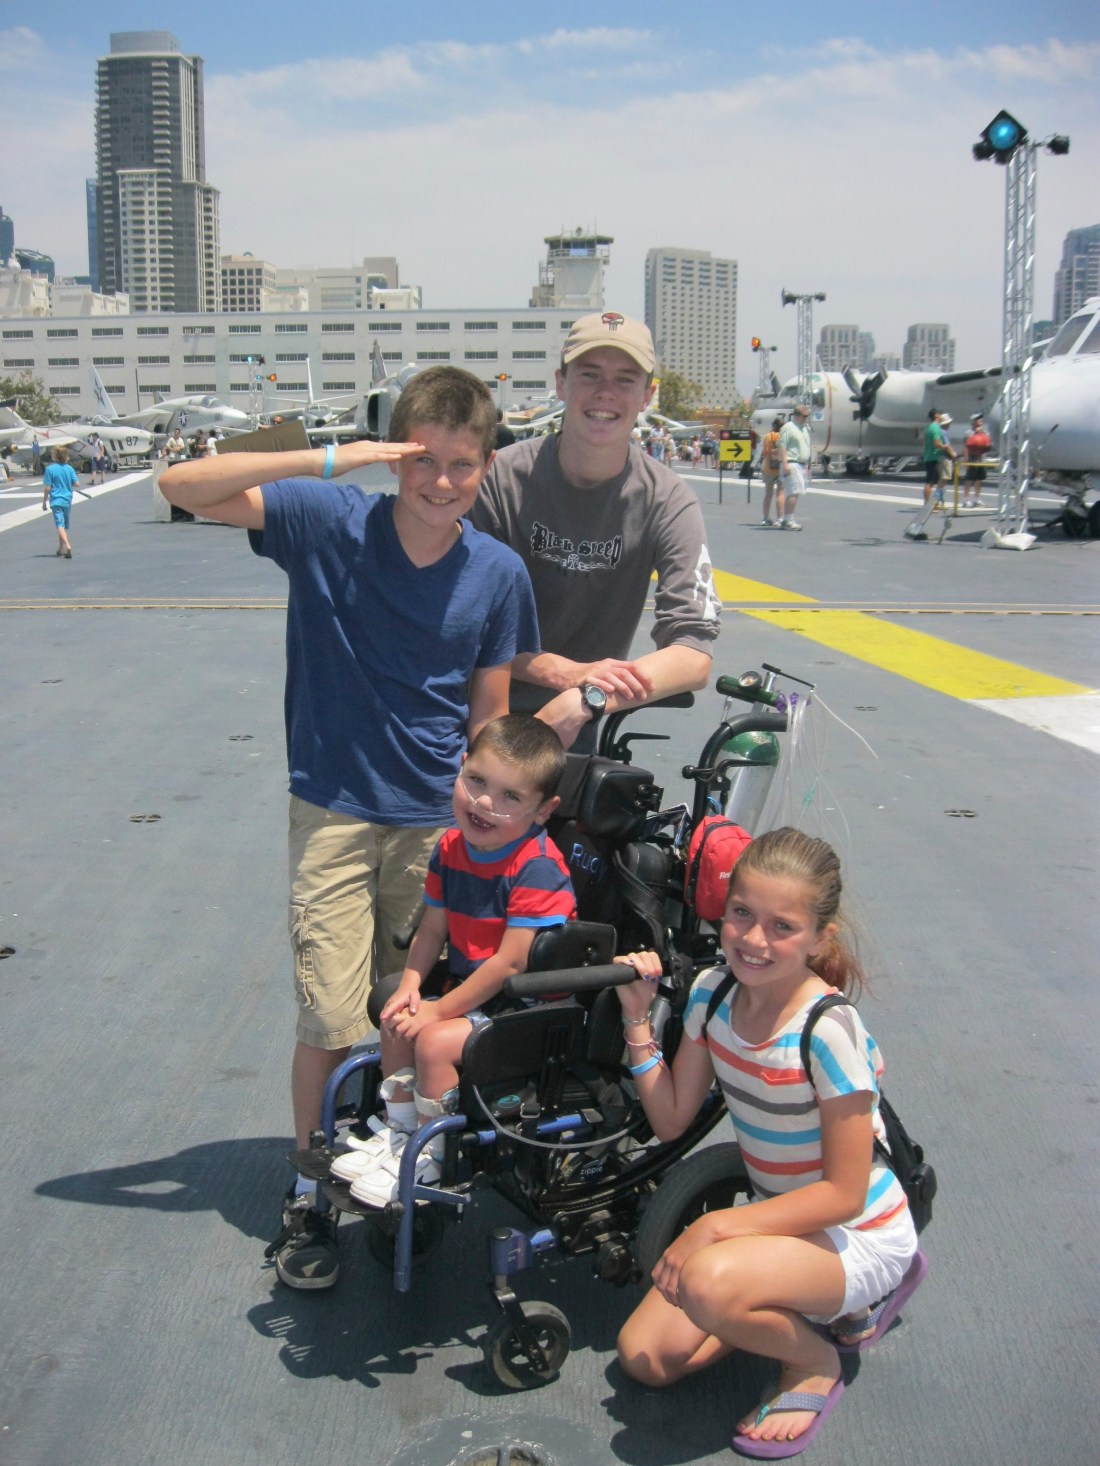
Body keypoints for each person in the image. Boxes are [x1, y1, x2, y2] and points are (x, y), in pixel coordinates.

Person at [160, 366, 540, 1291]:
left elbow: (486, 721)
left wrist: (492, 836)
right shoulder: (331, 521)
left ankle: (397, 1160)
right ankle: (307, 1178)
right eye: (422, 459)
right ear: (396, 453)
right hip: (333, 811)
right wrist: (340, 457)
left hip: (433, 827)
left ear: (486, 467)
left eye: (461, 464)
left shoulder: (497, 573)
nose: (440, 481)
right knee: (331, 1014)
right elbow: (183, 487)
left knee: (409, 1013)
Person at [614, 828, 920, 1459]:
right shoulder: (712, 994)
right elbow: (672, 1119)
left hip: (858, 1230)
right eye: (742, 914)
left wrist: (714, 1230)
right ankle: (786, 1301)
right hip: (778, 1220)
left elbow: (842, 1194)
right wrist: (637, 1018)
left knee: (706, 1283)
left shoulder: (826, 1030)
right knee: (645, 1359)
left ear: (818, 938)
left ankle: (813, 1363)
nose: (754, 940)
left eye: (783, 926)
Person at [329, 715, 575, 1205]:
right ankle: (398, 1135)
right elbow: (432, 929)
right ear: (461, 768)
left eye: (511, 797)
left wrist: (439, 1010)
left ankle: (432, 1155)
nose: (484, 803)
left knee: (435, 1039)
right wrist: (412, 987)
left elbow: (509, 965)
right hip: (476, 990)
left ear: (543, 810)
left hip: (529, 1008)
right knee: (397, 1014)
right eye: (477, 781)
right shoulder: (450, 847)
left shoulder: (538, 868)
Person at [469, 311, 721, 752]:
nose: (605, 392)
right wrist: (562, 672)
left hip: (577, 729)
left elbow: (693, 653)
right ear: (561, 383)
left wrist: (590, 695)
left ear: (648, 395)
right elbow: (465, 623)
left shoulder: (667, 500)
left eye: (626, 379)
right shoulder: (499, 479)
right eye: (590, 374)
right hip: (476, 716)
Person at [777, 405, 812, 530]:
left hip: (801, 464)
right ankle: (787, 520)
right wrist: (785, 463)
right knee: (793, 491)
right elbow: (782, 445)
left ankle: (788, 518)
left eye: (807, 416)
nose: (806, 419)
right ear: (796, 415)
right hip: (792, 462)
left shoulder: (803, 428)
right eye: (804, 416)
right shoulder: (788, 428)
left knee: (796, 492)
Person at [41, 447, 79, 558]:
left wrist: (44, 502)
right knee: (63, 525)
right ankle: (60, 548)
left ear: (55, 456)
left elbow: (47, 488)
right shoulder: (70, 469)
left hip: (56, 500)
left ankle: (67, 545)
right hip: (67, 500)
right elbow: (77, 484)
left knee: (59, 524)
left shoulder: (50, 469)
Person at [921, 410, 956, 506]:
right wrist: (945, 447)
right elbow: (936, 443)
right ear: (936, 415)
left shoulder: (929, 428)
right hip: (933, 457)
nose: (941, 415)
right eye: (939, 414)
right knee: (930, 482)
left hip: (929, 456)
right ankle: (928, 504)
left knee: (932, 481)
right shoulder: (935, 428)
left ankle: (930, 503)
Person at [963, 412, 992, 508]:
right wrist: (966, 459)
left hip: (981, 460)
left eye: (981, 419)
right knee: (969, 479)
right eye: (978, 419)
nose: (980, 420)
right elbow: (966, 446)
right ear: (973, 421)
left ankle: (977, 498)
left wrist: (982, 433)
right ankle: (966, 499)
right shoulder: (968, 433)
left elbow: (987, 444)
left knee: (979, 480)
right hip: (972, 459)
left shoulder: (985, 432)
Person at [759, 416, 784, 527]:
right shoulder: (784, 436)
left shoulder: (768, 436)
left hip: (769, 468)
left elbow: (764, 452)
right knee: (780, 493)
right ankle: (779, 518)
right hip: (781, 468)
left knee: (768, 494)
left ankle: (766, 517)